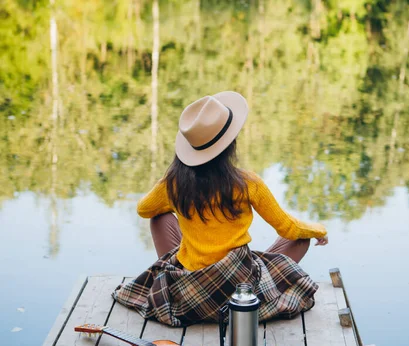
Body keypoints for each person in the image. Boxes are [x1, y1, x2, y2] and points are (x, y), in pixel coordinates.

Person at [113, 91, 327, 326]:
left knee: (159, 217)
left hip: (190, 292)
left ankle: (199, 276)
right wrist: (318, 230)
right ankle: (248, 294)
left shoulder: (174, 184)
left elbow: (144, 209)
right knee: (300, 238)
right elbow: (288, 228)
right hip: (241, 290)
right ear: (230, 145)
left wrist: (169, 180)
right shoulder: (247, 183)